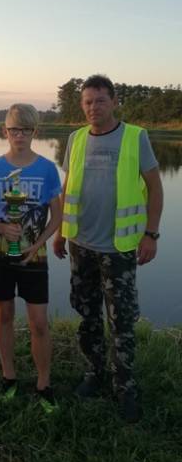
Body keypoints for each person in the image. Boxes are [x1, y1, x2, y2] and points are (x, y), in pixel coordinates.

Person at [54, 74, 163, 423]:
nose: (93, 107)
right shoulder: (76, 139)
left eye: (100, 100)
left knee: (122, 319)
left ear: (115, 102)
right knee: (87, 314)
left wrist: (151, 234)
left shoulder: (135, 137)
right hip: (80, 244)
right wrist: (59, 232)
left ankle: (125, 387)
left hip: (119, 247)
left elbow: (155, 188)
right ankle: (94, 373)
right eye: (87, 102)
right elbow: (68, 187)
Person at [0, 103, 61, 405]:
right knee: (4, 314)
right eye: (14, 130)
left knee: (39, 321)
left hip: (34, 256)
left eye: (25, 130)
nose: (19, 135)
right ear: (5, 132)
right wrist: (1, 227)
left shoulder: (47, 169)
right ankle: (8, 376)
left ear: (35, 132)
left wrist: (37, 245)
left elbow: (57, 217)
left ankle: (43, 383)